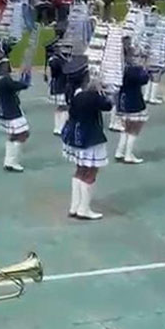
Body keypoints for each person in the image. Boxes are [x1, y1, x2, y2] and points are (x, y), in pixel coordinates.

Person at [61, 55, 112, 220]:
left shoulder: (73, 92)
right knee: (90, 173)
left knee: (80, 170)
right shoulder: (89, 96)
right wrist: (101, 90)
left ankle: (74, 206)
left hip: (74, 136)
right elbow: (108, 105)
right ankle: (84, 208)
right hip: (89, 137)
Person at [0, 52, 30, 172]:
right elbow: (21, 85)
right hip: (12, 112)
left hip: (5, 111)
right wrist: (26, 75)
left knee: (13, 136)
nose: (8, 67)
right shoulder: (5, 80)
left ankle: (8, 161)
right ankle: (13, 161)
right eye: (5, 65)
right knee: (23, 134)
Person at [114, 49, 150, 164]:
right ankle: (128, 154)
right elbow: (144, 79)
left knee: (125, 128)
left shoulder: (120, 68)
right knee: (134, 130)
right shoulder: (134, 70)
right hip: (134, 102)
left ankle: (119, 151)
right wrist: (145, 68)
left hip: (122, 102)